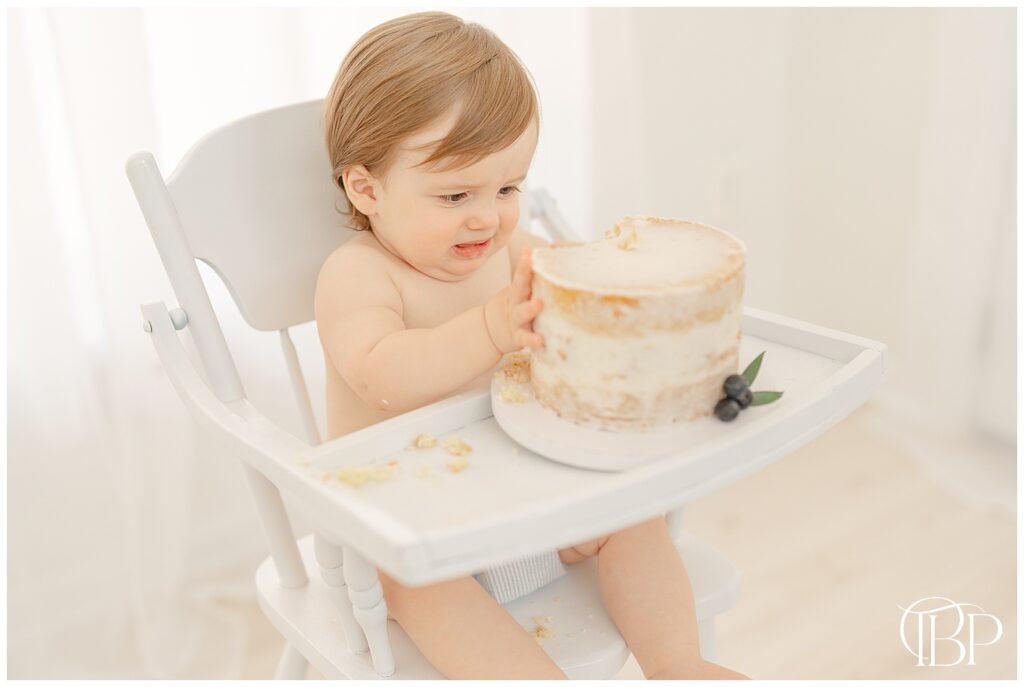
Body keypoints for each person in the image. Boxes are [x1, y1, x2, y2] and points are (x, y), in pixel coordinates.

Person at [314, 10, 750, 680]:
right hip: (410, 541)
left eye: (508, 187)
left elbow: (576, 291)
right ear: (367, 188)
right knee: (427, 591)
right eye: (456, 193)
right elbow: (381, 375)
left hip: (524, 503)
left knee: (633, 516)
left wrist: (616, 291)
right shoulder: (357, 274)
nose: (487, 215)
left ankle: (677, 662)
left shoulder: (508, 248)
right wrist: (489, 327)